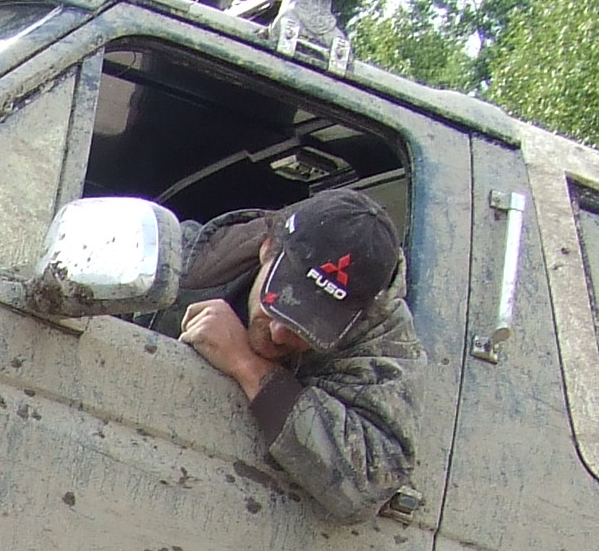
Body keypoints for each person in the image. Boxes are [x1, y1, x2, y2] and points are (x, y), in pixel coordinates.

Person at [174, 188, 420, 524]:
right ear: (267, 249)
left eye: (306, 326)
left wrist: (250, 367)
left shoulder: (381, 335)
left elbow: (369, 482)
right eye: (278, 303)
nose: (278, 334)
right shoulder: (202, 253)